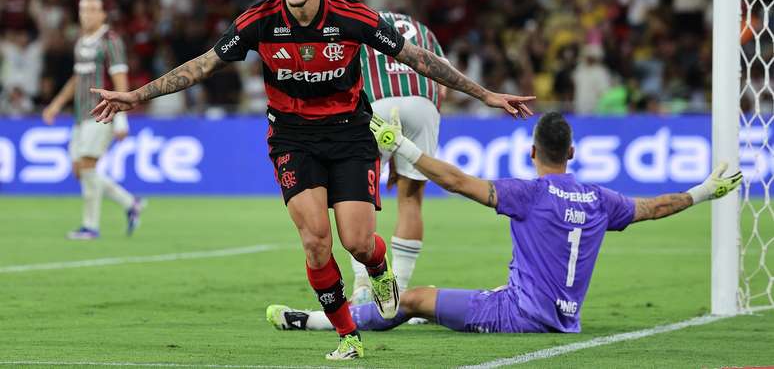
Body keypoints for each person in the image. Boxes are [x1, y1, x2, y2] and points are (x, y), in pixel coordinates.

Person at [89, 0, 535, 360]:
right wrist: (135, 95)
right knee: (316, 243)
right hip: (291, 139)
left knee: (358, 242)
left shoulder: (351, 17)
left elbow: (418, 58)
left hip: (350, 133)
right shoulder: (258, 21)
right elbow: (203, 65)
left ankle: (379, 271)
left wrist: (486, 95)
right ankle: (348, 335)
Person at [266, 111, 742, 335]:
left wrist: (403, 147)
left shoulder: (529, 193)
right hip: (564, 316)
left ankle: (308, 321)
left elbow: (456, 181)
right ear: (572, 153)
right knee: (441, 308)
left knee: (408, 301)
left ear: (534, 152)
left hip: (518, 313)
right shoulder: (601, 199)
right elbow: (655, 207)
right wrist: (705, 190)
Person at [351, 12, 446, 306]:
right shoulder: (423, 29)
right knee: (411, 200)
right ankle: (398, 293)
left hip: (375, 103)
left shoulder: (356, 20)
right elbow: (442, 80)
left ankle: (364, 285)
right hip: (423, 104)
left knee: (354, 196)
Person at [42, 0, 143, 240]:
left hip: (102, 113)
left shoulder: (110, 41)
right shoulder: (81, 42)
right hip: (80, 115)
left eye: (92, 10)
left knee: (88, 167)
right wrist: (55, 105)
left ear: (103, 14)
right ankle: (130, 203)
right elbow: (77, 78)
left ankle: (90, 227)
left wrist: (121, 118)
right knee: (80, 169)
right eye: (83, 10)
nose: (86, 14)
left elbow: (120, 78)